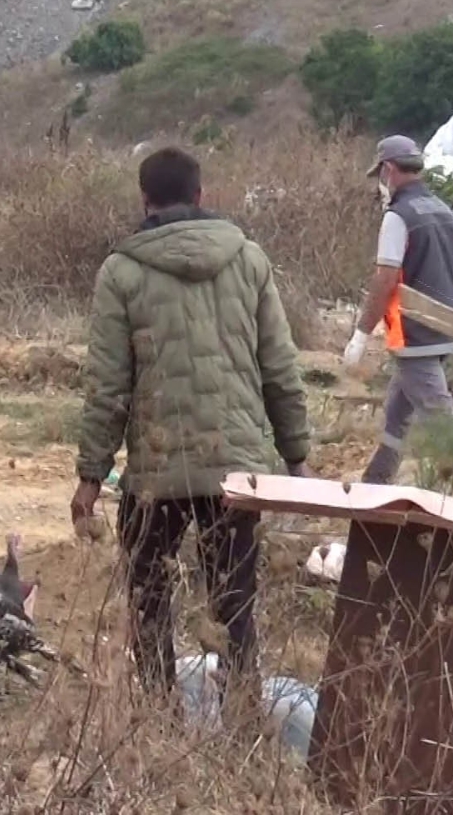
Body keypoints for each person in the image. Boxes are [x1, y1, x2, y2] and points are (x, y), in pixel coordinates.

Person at [70, 147, 313, 695]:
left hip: (157, 475)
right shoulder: (248, 260)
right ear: (201, 196)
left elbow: (108, 386)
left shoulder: (121, 271)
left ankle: (160, 715)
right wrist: (296, 457)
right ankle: (243, 714)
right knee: (235, 602)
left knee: (149, 597)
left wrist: (90, 476)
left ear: (144, 200)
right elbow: (280, 367)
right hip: (236, 471)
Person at [344, 135, 453, 501]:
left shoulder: (398, 216)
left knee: (441, 418)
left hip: (413, 336)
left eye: (380, 175)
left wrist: (361, 334)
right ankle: (376, 482)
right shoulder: (445, 212)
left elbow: (385, 279)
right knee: (398, 413)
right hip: (444, 332)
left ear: (388, 169)